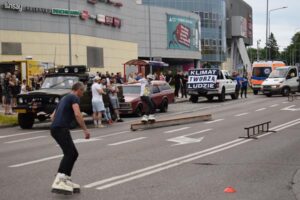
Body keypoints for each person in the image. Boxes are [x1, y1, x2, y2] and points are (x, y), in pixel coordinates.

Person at [50, 82, 90, 195]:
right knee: (70, 154)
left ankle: (65, 178)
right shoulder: (74, 97)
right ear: (79, 90)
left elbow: (53, 116)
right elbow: (77, 114)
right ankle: (59, 180)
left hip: (55, 128)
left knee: (72, 153)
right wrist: (85, 129)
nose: (83, 94)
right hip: (61, 128)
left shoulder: (64, 98)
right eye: (83, 91)